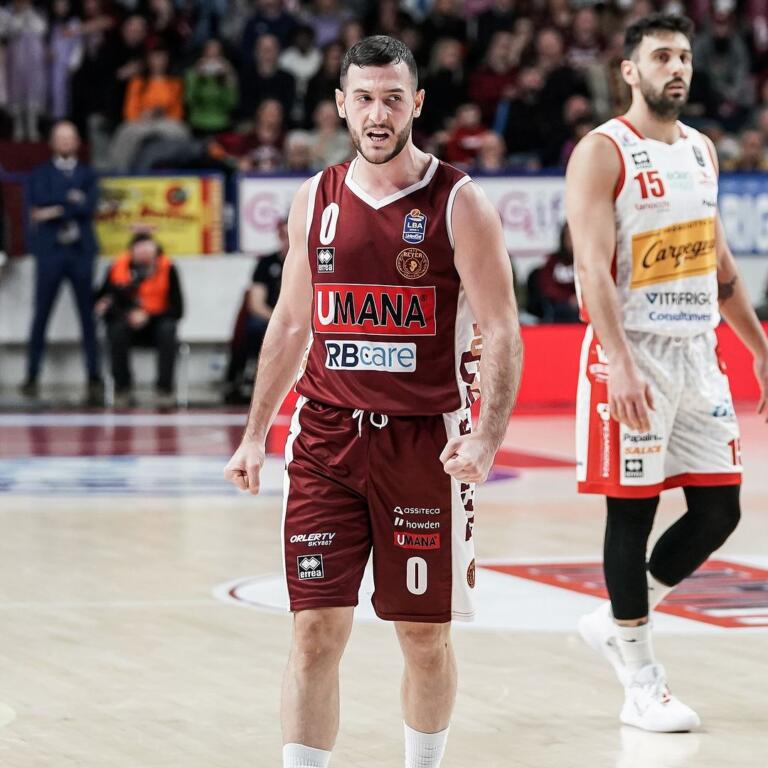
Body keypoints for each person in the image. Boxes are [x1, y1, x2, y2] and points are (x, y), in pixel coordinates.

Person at [224, 35, 522, 768]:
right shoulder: (315, 199)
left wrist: (485, 438)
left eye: (393, 98)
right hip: (326, 438)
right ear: (340, 106)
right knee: (314, 632)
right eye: (364, 98)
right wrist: (254, 432)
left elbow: (503, 329)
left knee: (423, 637)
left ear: (418, 103)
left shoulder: (459, 201)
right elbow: (292, 324)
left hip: (425, 443)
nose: (378, 113)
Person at [565, 13, 768, 734]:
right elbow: (591, 267)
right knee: (634, 509)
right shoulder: (602, 151)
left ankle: (614, 620)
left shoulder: (704, 152)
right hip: (634, 351)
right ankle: (640, 678)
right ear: (630, 70)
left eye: (683, 56)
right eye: (661, 57)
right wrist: (618, 362)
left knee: (720, 509)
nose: (675, 68)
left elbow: (720, 266)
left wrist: (759, 349)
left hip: (698, 351)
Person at [22, 121, 103, 404]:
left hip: (81, 253)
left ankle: (94, 377)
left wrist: (53, 209)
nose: (66, 142)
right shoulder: (40, 174)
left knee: (87, 316)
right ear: (52, 142)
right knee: (41, 314)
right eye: (61, 138)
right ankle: (31, 376)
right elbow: (35, 206)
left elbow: (89, 206)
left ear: (78, 141)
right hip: (50, 253)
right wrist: (70, 203)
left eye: (71, 137)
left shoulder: (88, 173)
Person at [95, 233, 184, 408]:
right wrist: (127, 315)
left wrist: (149, 316)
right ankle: (123, 388)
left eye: (149, 252)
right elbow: (103, 304)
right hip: (126, 324)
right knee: (115, 331)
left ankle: (164, 389)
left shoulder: (169, 268)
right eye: (140, 252)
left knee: (168, 329)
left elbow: (178, 309)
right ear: (132, 253)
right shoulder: (116, 268)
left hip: (156, 325)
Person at [224, 218, 288, 404]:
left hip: (300, 321)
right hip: (269, 318)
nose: (288, 240)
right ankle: (245, 380)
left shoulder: (310, 261)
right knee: (253, 328)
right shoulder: (266, 263)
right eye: (284, 235)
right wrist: (279, 321)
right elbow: (255, 303)